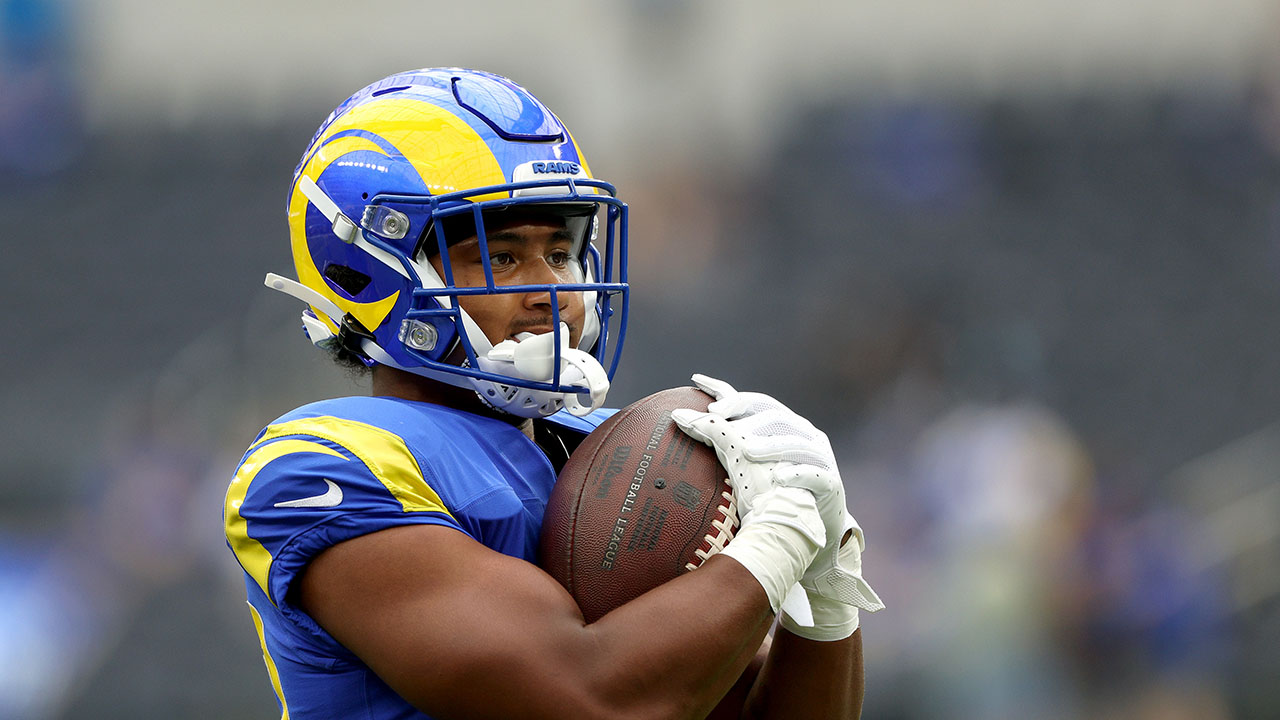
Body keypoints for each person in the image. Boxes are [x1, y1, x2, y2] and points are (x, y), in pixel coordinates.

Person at [223, 67, 883, 719]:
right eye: (502, 257)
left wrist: (826, 590)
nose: (555, 292)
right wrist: (777, 542)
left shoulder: (603, 447)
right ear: (371, 272)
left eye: (561, 252)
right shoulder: (320, 468)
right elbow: (586, 701)